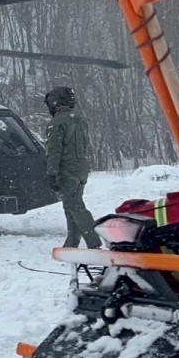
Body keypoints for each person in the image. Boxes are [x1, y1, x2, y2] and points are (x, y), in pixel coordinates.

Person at [44, 86, 100, 249]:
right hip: (81, 169)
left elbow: (54, 150)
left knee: (74, 205)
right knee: (71, 204)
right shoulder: (80, 120)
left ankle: (94, 241)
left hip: (67, 170)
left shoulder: (57, 123)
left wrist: (51, 173)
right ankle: (72, 241)